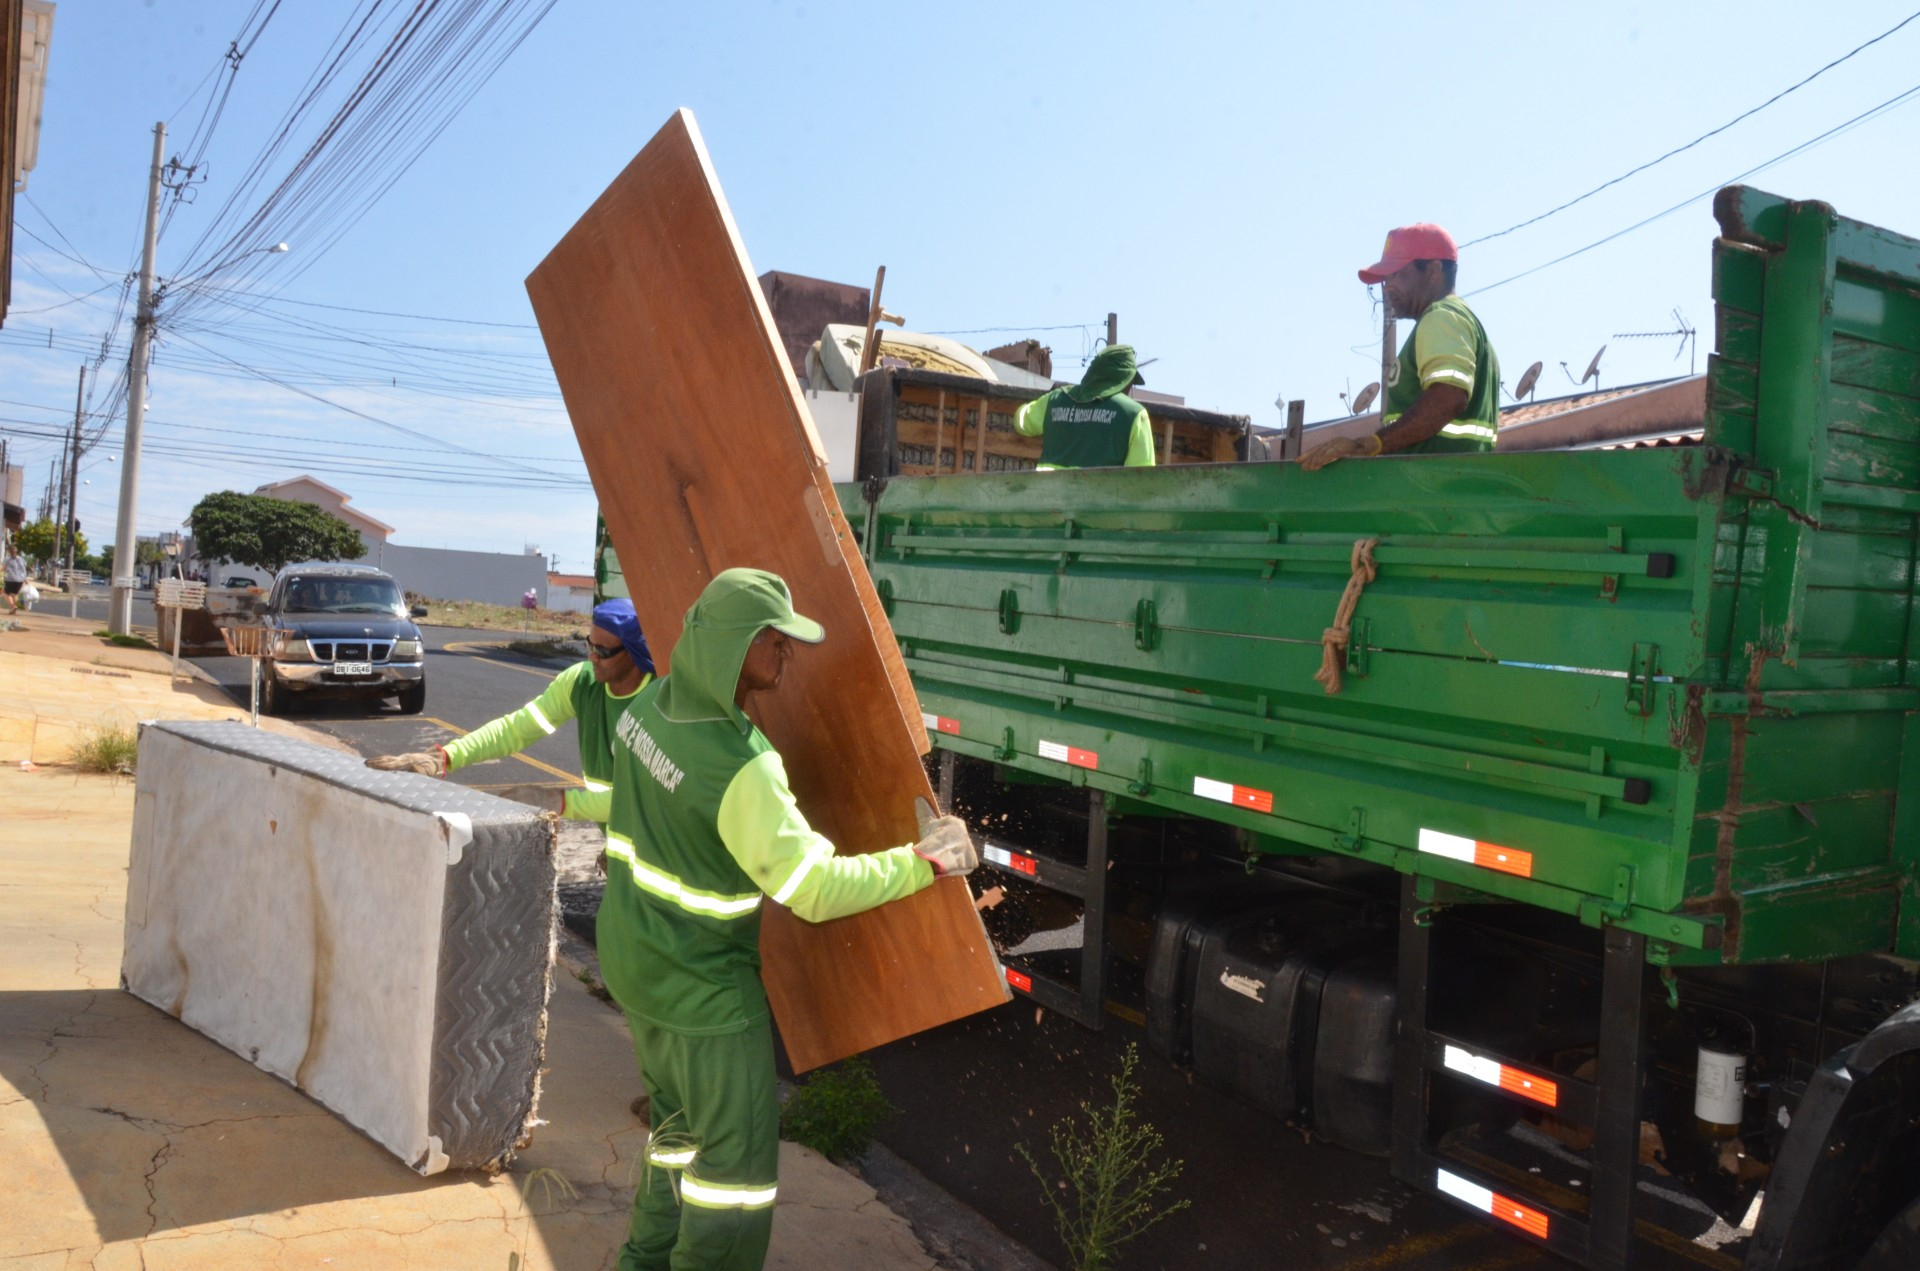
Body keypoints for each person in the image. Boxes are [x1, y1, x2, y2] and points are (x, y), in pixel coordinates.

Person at [600, 567, 976, 1271]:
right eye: (774, 639)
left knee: (676, 1135)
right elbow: (815, 888)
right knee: (731, 1182)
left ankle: (641, 1262)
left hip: (637, 965)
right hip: (703, 994)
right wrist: (923, 861)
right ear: (732, 646)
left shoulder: (646, 714)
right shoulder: (741, 766)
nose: (786, 652)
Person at [366, 597, 654, 824]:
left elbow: (641, 800)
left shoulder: (658, 702)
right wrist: (445, 757)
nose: (592, 656)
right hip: (623, 849)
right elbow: (516, 729)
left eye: (603, 652)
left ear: (634, 652)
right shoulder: (581, 682)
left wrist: (561, 802)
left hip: (662, 850)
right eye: (589, 645)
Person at [1300, 223, 1502, 471]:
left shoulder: (1441, 317)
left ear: (1433, 270)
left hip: (1431, 490)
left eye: (1395, 274)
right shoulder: (1463, 321)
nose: (1387, 287)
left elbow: (1449, 396)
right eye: (1385, 279)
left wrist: (1374, 444)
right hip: (1451, 487)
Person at [1013, 343, 1156, 470]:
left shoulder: (1054, 400)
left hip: (1048, 496)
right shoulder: (1134, 414)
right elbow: (1142, 479)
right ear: (1124, 380)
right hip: (1100, 499)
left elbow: (1021, 422)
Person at [4, 546, 27, 613]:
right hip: (20, 579)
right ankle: (15, 607)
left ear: (9, 552)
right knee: (15, 594)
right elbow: (24, 569)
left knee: (5, 593)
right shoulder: (22, 559)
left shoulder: (7, 559)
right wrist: (25, 580)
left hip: (10, 578)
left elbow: (3, 569)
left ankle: (13, 606)